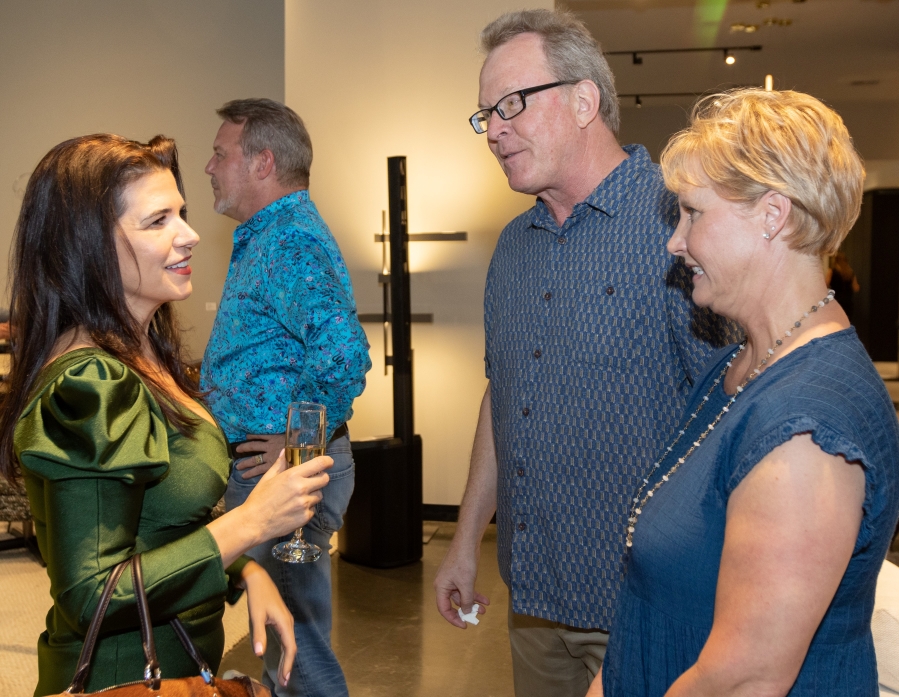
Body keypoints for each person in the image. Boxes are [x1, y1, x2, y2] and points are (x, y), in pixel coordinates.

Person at [433, 9, 738, 696]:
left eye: (511, 103)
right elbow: (503, 396)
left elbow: (727, 417)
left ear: (583, 100)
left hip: (645, 608)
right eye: (486, 114)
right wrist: (462, 539)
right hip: (533, 601)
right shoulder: (512, 248)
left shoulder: (677, 223)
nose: (495, 129)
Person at [0, 133, 332, 695]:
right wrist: (250, 524)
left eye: (181, 212)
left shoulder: (143, 353)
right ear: (89, 246)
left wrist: (245, 570)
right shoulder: (90, 383)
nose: (191, 234)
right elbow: (92, 595)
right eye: (158, 221)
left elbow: (157, 529)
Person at [595, 89, 899, 696]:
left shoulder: (808, 424)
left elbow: (744, 679)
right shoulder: (741, 363)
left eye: (692, 214)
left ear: (772, 215)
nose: (674, 242)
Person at [200, 98, 371, 697]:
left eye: (221, 153)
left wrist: (294, 449)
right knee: (281, 642)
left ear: (262, 162)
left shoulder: (288, 241)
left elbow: (345, 353)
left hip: (282, 475)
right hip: (274, 471)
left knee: (295, 643)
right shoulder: (272, 235)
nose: (209, 166)